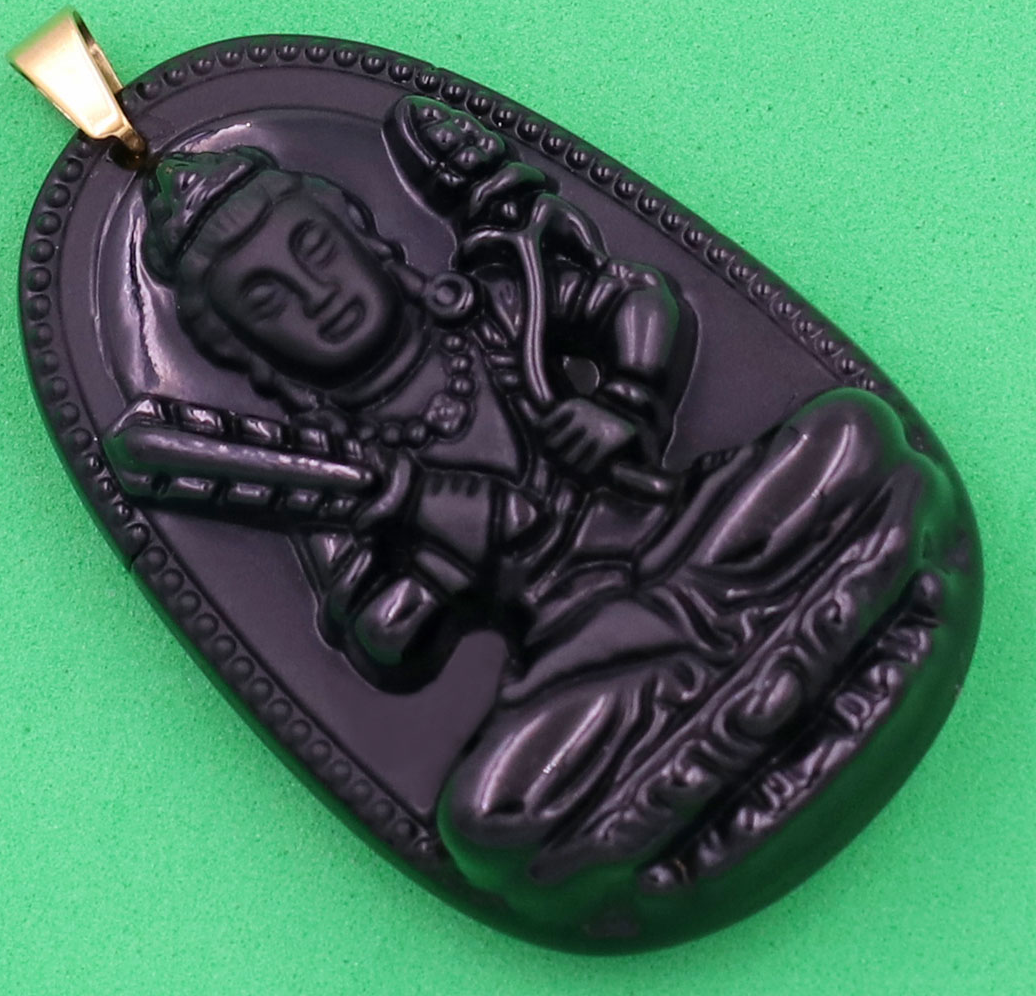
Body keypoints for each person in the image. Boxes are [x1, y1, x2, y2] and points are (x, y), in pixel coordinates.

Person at [129, 98, 960, 907]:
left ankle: (719, 725)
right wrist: (435, 539)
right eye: (268, 300)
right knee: (490, 822)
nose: (318, 295)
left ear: (366, 236)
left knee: (851, 434)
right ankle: (826, 622)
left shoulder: (492, 307)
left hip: (698, 536)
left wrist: (624, 403)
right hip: (586, 648)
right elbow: (379, 634)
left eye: (315, 249)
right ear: (251, 352)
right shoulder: (337, 479)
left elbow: (637, 296)